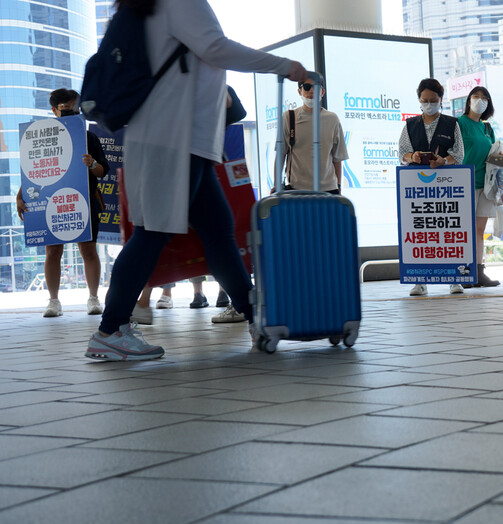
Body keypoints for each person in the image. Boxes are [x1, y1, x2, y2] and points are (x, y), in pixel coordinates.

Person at [85, 0, 307, 361]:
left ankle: (255, 319)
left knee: (216, 233)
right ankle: (110, 330)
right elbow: (215, 48)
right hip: (173, 139)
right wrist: (285, 66)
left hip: (182, 139)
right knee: (153, 231)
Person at [16, 89, 108, 318]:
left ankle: (94, 298)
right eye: (65, 108)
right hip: (50, 201)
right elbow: (32, 171)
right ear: (54, 110)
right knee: (52, 251)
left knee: (88, 250)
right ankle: (53, 301)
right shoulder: (39, 138)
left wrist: (91, 163)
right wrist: (20, 196)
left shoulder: (89, 138)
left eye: (73, 107)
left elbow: (103, 171)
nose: (70, 112)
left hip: (84, 200)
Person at [398, 78, 466, 297]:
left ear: (441, 100)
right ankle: (419, 281)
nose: (429, 104)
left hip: (447, 187)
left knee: (447, 232)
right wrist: (413, 156)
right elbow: (402, 154)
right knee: (420, 232)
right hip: (417, 187)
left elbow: (459, 154)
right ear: (419, 100)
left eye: (433, 100)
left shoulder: (451, 124)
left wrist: (444, 161)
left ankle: (454, 278)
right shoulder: (410, 125)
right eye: (424, 100)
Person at [457, 86, 500, 288]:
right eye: (476, 96)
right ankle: (464, 272)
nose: (479, 100)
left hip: (486, 184)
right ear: (468, 101)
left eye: (484, 98)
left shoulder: (487, 128)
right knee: (465, 230)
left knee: (480, 230)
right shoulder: (460, 123)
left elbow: (492, 154)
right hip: (465, 183)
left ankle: (478, 270)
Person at [276, 77, 348, 194]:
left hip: (328, 189)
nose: (311, 91)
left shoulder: (332, 119)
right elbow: (281, 154)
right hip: (297, 190)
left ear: (322, 92)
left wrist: (338, 186)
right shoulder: (289, 118)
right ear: (300, 91)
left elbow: (337, 157)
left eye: (316, 87)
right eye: (307, 87)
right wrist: (276, 184)